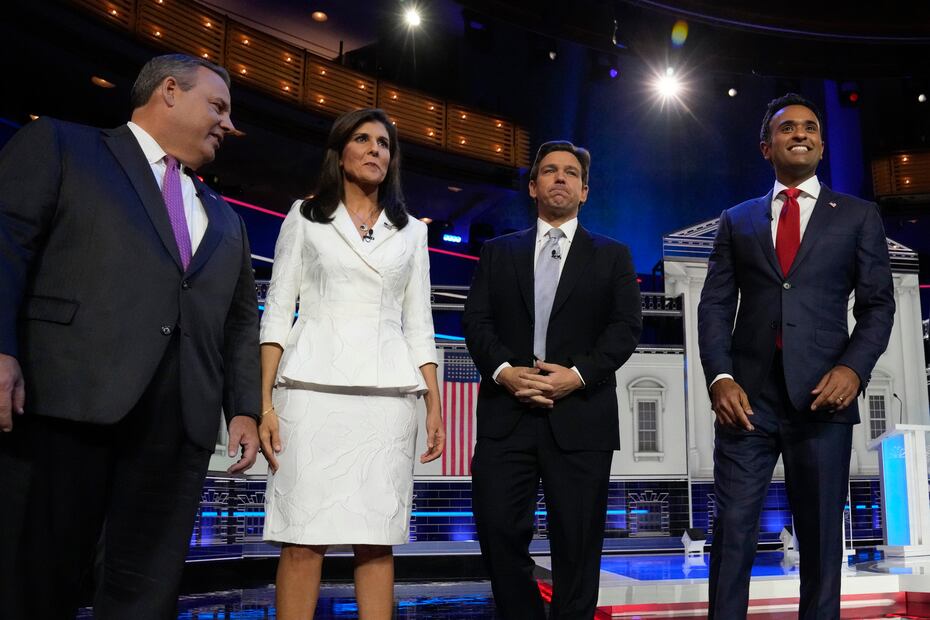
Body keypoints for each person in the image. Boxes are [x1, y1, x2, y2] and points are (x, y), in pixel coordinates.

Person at [0, 54, 261, 619]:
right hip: (64, 404)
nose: (228, 124)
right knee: (35, 582)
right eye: (218, 106)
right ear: (169, 91)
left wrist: (244, 407)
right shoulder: (62, 146)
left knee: (146, 594)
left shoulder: (227, 218)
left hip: (178, 426)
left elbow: (241, 320)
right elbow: (7, 246)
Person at [698, 93, 895, 619]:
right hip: (747, 402)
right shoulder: (736, 220)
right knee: (733, 532)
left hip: (823, 402)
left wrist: (853, 369)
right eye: (787, 128)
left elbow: (878, 307)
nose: (800, 133)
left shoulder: (857, 216)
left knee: (822, 537)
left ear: (823, 145)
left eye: (810, 127)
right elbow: (715, 306)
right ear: (767, 146)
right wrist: (720, 378)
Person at [258, 107, 445, 619]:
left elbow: (419, 324)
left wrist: (433, 404)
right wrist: (265, 402)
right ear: (340, 154)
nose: (374, 150)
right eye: (362, 140)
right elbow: (277, 309)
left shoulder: (411, 233)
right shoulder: (305, 215)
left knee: (376, 539)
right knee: (301, 536)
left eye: (384, 143)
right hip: (309, 390)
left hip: (387, 400)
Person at [462, 141, 642, 619]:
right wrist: (505, 372)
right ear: (532, 186)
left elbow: (625, 329)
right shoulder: (498, 253)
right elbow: (476, 321)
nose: (559, 178)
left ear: (584, 190)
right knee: (499, 532)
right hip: (507, 415)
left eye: (569, 173)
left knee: (578, 546)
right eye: (549, 171)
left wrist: (577, 375)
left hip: (581, 416)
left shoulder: (613, 256)